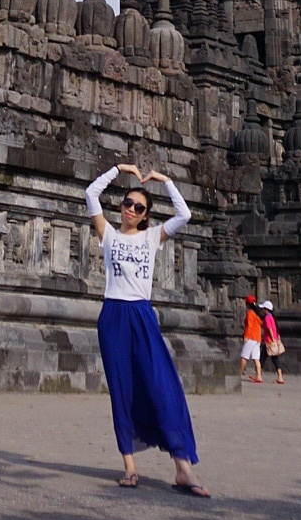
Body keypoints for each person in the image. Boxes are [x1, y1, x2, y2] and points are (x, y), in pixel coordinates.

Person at [85, 161, 210, 496]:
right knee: (122, 390)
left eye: (138, 207)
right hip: (113, 315)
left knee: (162, 385)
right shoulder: (108, 234)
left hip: (141, 314)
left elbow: (184, 215)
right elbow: (90, 193)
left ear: (144, 215)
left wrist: (166, 180)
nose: (131, 209)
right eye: (127, 203)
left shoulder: (153, 236)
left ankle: (183, 468)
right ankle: (129, 467)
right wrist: (117, 169)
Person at [259, 299, 285, 385]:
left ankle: (259, 375)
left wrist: (272, 339)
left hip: (269, 342)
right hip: (272, 341)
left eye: (263, 309)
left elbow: (269, 329)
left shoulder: (267, 318)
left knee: (262, 359)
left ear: (266, 309)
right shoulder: (271, 317)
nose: (262, 310)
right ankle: (280, 377)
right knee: (274, 359)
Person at [240, 294, 263, 384]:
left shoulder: (250, 313)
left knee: (244, 356)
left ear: (248, 304)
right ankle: (259, 376)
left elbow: (249, 326)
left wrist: (246, 336)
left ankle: (239, 374)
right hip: (257, 337)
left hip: (251, 337)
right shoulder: (257, 314)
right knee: (256, 358)